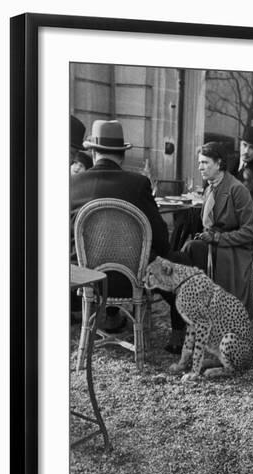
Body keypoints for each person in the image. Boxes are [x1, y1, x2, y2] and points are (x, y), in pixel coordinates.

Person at [70, 119, 172, 332]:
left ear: (94, 154)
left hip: (85, 278)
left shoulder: (72, 184)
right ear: (122, 155)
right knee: (179, 260)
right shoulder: (138, 184)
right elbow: (161, 236)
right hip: (130, 278)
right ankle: (179, 334)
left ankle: (99, 318)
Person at [183, 142, 253, 317]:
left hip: (233, 250)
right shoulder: (210, 187)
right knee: (185, 236)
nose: (200, 167)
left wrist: (217, 238)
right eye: (199, 162)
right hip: (215, 244)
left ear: (219, 163)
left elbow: (249, 232)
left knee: (191, 249)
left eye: (205, 162)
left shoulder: (237, 190)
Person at [230, 126, 253, 202]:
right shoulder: (229, 162)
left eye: (252, 147)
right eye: (244, 145)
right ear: (240, 144)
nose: (246, 151)